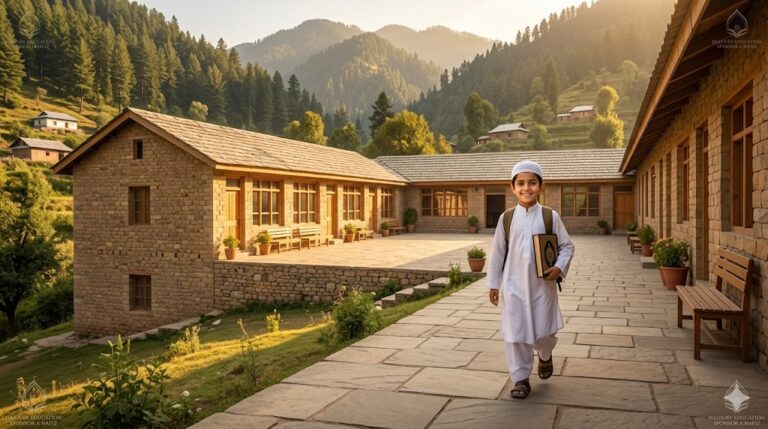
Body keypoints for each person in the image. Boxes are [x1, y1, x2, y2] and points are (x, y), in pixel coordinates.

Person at [486, 159, 574, 399]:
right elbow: (497, 254)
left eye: (532, 183)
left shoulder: (550, 216)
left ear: (541, 186)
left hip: (542, 288)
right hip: (513, 287)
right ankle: (521, 378)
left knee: (545, 333)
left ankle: (545, 356)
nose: (527, 188)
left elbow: (566, 246)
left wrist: (558, 267)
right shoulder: (506, 218)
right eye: (521, 183)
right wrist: (493, 284)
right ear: (512, 187)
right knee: (516, 334)